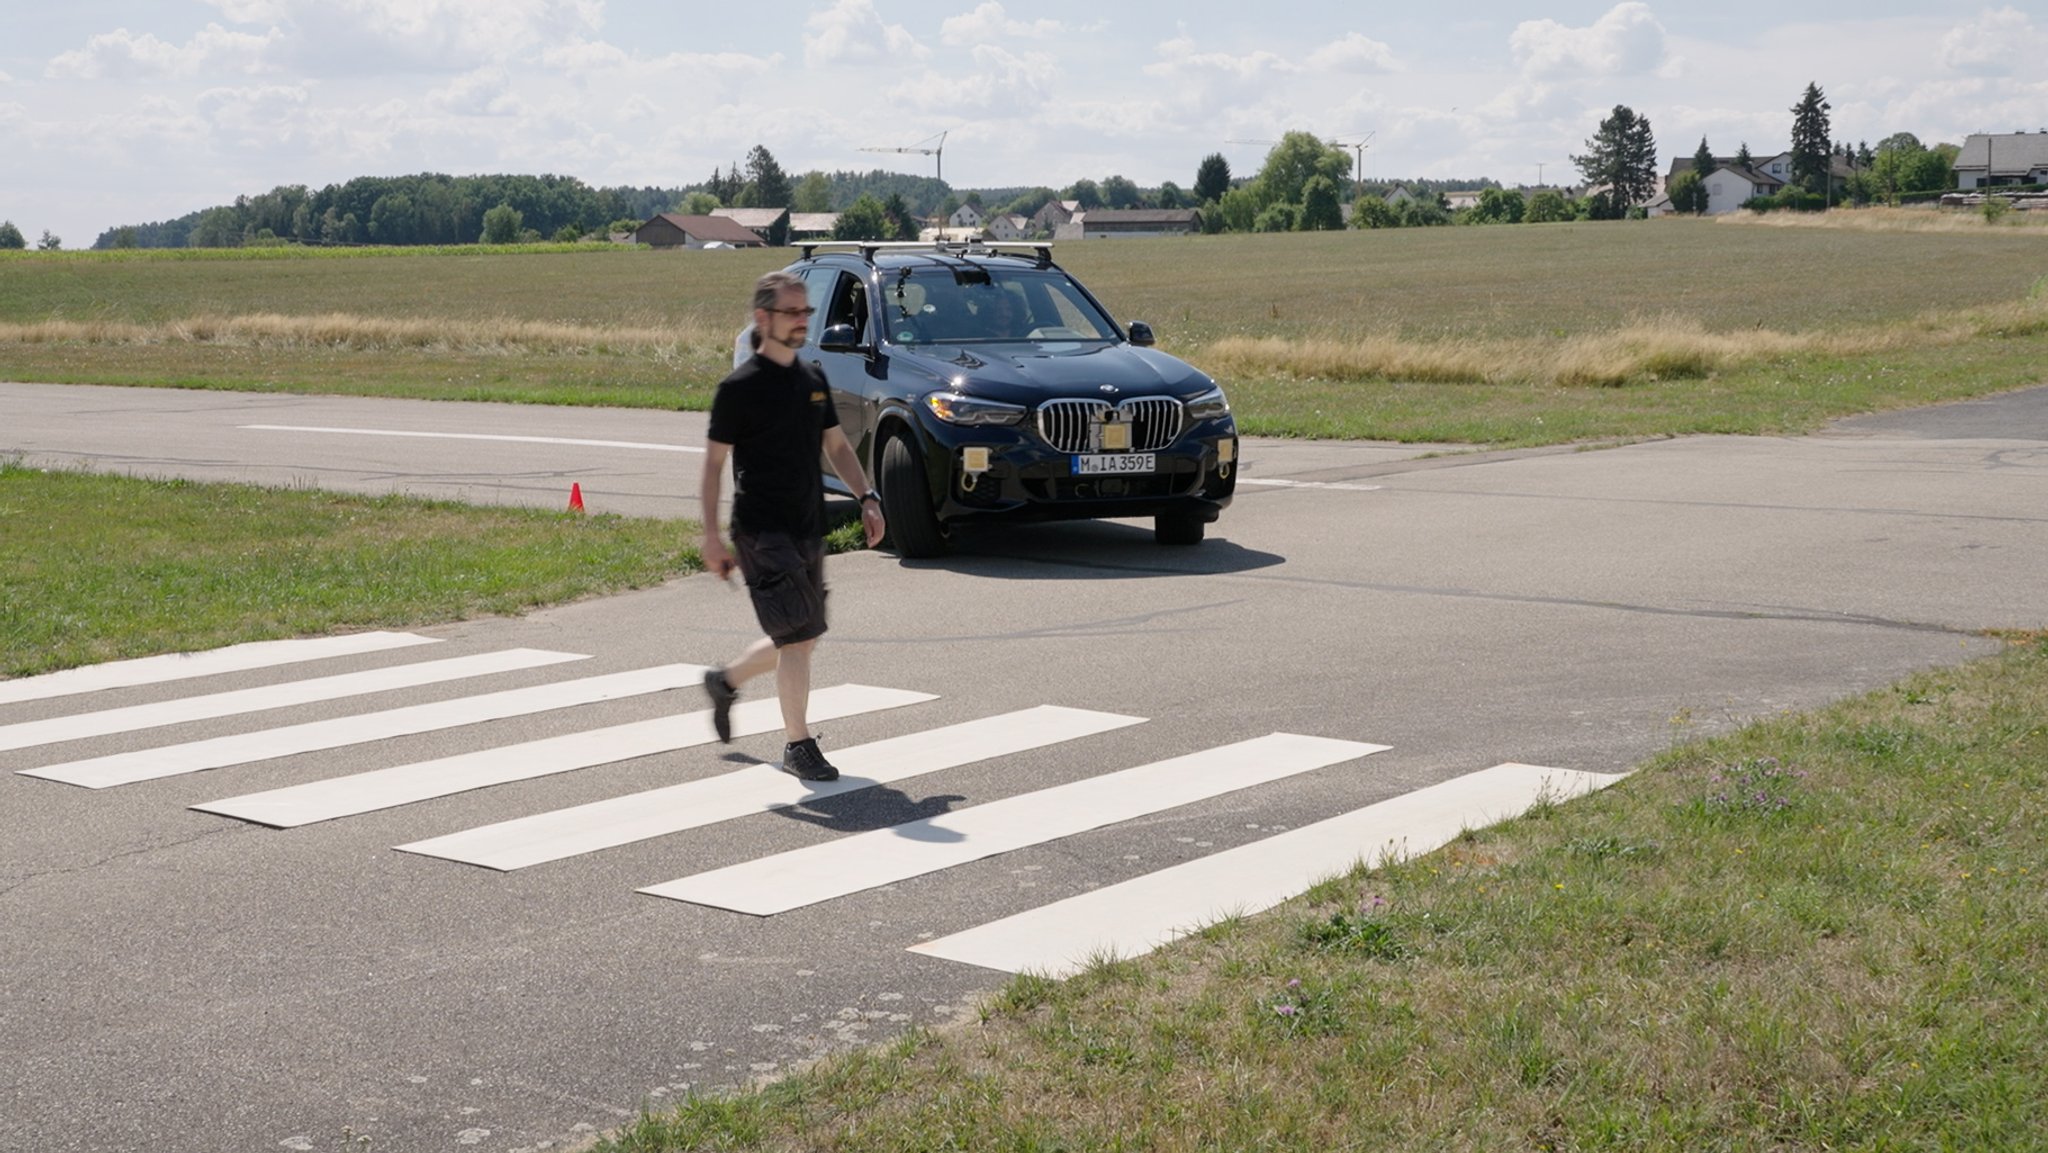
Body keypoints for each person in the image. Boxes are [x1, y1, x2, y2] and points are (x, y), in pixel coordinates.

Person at [700, 271, 886, 781]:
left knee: (799, 640)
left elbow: (837, 446)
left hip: (808, 526)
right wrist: (712, 536)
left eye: (806, 311)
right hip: (761, 531)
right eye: (793, 312)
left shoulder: (812, 380)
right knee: (798, 635)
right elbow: (714, 465)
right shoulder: (739, 389)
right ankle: (798, 745)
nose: (804, 320)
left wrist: (866, 496)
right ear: (764, 318)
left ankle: (726, 680)